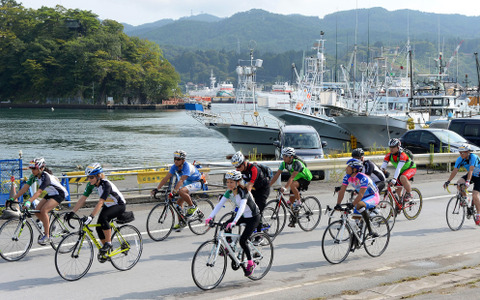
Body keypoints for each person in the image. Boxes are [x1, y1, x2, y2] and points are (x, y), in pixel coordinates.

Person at [205, 170, 260, 277]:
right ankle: (230, 246)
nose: (229, 184)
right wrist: (210, 217)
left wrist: (235, 221)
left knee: (243, 240)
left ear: (238, 182)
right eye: (227, 182)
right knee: (225, 225)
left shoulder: (243, 192)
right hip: (243, 216)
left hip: (253, 217)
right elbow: (219, 205)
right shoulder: (229, 192)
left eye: (231, 182)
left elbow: (242, 208)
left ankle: (251, 263)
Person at [65, 163, 126, 256]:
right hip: (108, 205)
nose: (89, 179)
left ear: (98, 176)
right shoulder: (91, 185)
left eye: (91, 177)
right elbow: (82, 199)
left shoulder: (106, 185)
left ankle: (108, 243)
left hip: (119, 205)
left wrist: (91, 217)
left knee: (104, 218)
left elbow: (100, 202)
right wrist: (72, 212)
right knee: (98, 227)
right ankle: (105, 250)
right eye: (88, 177)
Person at [10, 158, 68, 245]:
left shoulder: (46, 177)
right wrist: (13, 198)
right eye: (32, 168)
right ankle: (49, 226)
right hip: (50, 194)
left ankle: (47, 236)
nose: (32, 171)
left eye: (34, 169)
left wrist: (29, 201)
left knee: (44, 210)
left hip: (59, 194)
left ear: (41, 168)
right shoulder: (34, 176)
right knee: (37, 211)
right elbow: (25, 188)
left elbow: (39, 192)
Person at [151, 150, 202, 231]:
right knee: (178, 203)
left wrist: (174, 192)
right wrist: (157, 189)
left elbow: (181, 181)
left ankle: (192, 206)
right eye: (175, 159)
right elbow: (166, 178)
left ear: (183, 160)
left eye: (178, 159)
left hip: (197, 182)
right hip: (188, 183)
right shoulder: (174, 166)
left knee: (181, 191)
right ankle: (182, 222)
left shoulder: (186, 166)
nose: (176, 161)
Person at [335, 158, 380, 237]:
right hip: (363, 198)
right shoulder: (347, 177)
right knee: (355, 221)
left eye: (348, 167)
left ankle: (370, 231)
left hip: (373, 196)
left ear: (354, 169)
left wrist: (352, 205)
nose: (346, 168)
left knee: (358, 204)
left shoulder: (363, 178)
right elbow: (342, 191)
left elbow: (361, 195)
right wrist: (338, 204)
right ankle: (357, 237)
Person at [269, 147, 312, 227]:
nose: (283, 158)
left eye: (285, 156)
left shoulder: (297, 163)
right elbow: (277, 175)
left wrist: (285, 188)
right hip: (296, 179)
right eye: (283, 155)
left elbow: (291, 178)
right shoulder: (284, 164)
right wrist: (268, 185)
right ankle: (294, 219)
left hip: (305, 178)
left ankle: (299, 202)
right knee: (290, 202)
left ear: (291, 157)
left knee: (292, 185)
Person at [231, 151, 270, 235]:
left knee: (258, 210)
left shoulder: (254, 169)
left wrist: (243, 198)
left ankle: (259, 235)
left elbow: (249, 185)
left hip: (263, 189)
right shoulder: (239, 170)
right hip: (254, 188)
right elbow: (236, 183)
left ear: (244, 162)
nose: (237, 168)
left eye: (239, 166)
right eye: (236, 166)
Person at [443, 144, 480, 225]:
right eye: (460, 153)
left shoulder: (473, 157)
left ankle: (478, 214)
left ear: (468, 152)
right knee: (459, 183)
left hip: (478, 176)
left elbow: (470, 170)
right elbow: (455, 170)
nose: (461, 154)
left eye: (463, 153)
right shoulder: (460, 159)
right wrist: (448, 181)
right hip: (472, 175)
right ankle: (466, 198)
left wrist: (468, 182)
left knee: (475, 194)